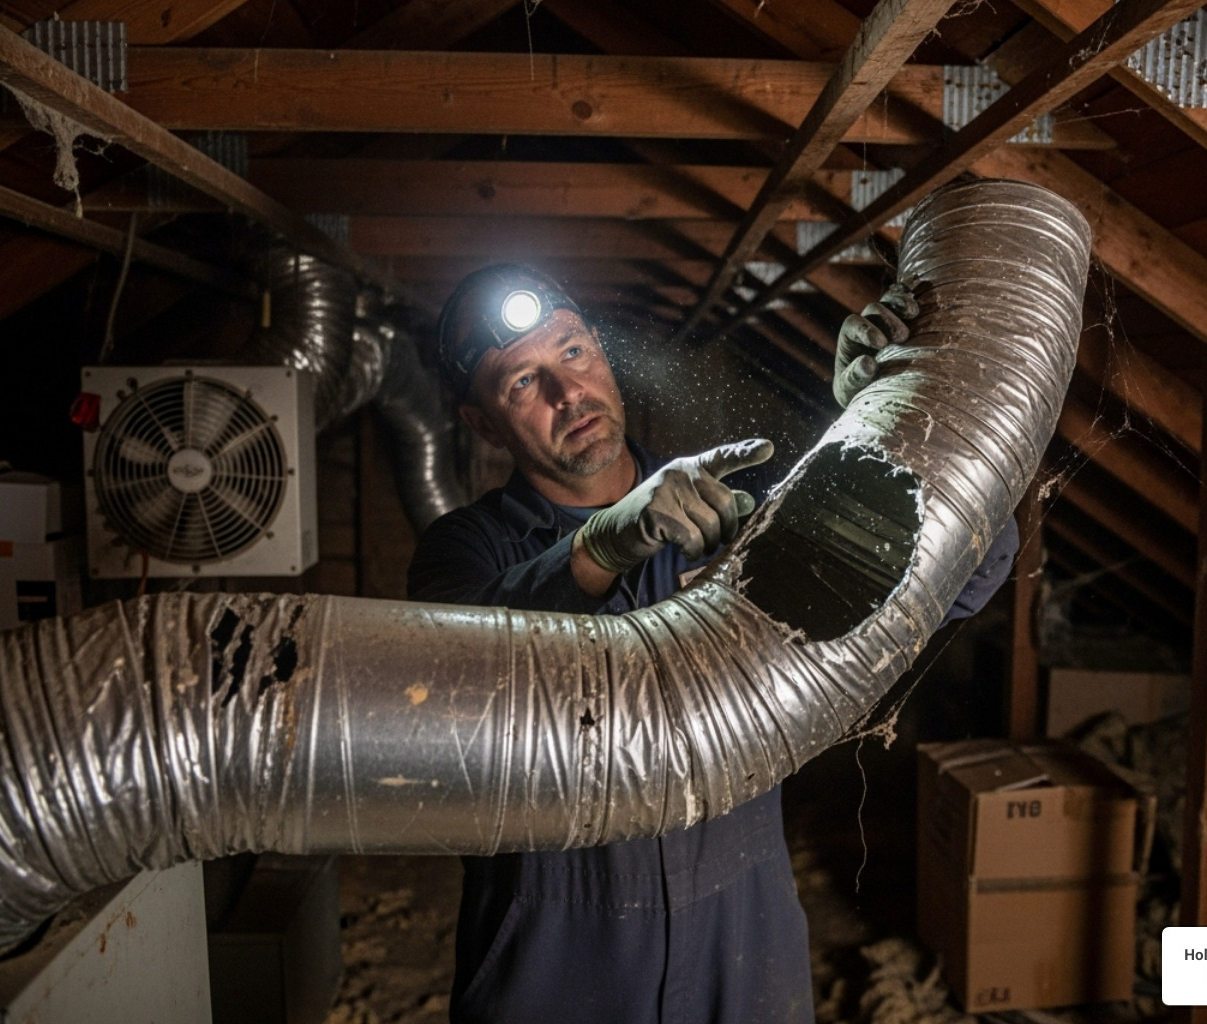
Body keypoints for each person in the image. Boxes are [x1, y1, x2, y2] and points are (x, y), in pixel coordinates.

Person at [407, 264, 1018, 1024]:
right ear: (482, 424)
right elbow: (451, 682)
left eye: (571, 353)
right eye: (523, 383)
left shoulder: (737, 512)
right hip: (560, 958)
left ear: (601, 349)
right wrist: (603, 544)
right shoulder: (465, 552)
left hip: (745, 942)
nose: (569, 393)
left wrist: (901, 411)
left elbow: (965, 572)